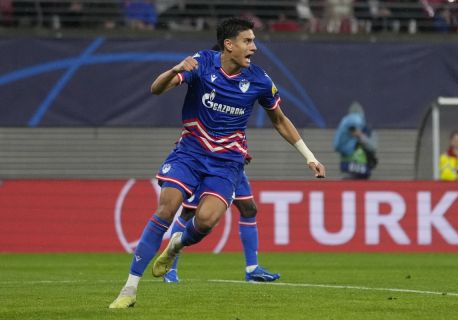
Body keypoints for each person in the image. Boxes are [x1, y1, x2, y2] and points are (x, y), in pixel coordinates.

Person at [109, 17, 325, 309]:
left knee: (207, 221)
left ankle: (176, 244)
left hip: (227, 162)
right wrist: (174, 68)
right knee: (166, 208)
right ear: (229, 45)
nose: (254, 47)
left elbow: (280, 120)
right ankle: (129, 289)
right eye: (247, 41)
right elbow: (156, 89)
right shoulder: (202, 63)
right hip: (190, 153)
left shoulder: (260, 80)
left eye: (253, 41)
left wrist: (309, 157)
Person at [163, 154, 280, 283]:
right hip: (210, 166)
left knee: (249, 209)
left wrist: (240, 152)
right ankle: (170, 269)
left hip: (234, 166)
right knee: (189, 212)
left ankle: (252, 269)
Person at [333, 101, 377, 180]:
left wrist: (361, 137)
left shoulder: (367, 131)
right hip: (349, 170)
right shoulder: (345, 134)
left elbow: (373, 148)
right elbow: (338, 146)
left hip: (363, 171)